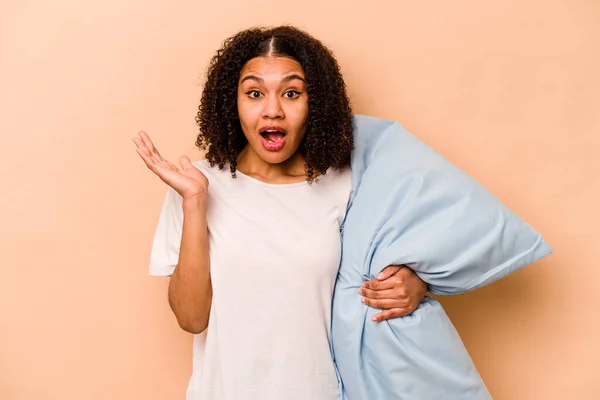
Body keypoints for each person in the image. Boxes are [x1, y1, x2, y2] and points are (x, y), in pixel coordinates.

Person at [133, 26, 427, 400]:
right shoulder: (195, 183)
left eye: (291, 93)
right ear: (231, 103)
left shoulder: (345, 185)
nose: (272, 110)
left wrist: (415, 286)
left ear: (314, 103)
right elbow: (191, 319)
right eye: (254, 93)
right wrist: (194, 202)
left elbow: (371, 277)